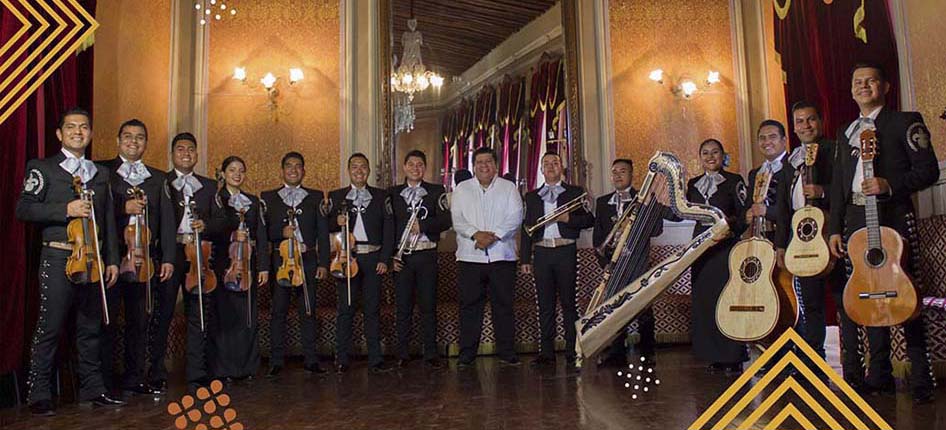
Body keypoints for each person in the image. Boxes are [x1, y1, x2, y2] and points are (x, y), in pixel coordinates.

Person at [827, 62, 937, 404]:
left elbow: (928, 171)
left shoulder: (905, 122)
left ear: (885, 86)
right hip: (856, 219)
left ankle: (921, 378)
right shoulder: (845, 130)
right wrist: (835, 229)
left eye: (871, 81)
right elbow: (837, 185)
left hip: (893, 217)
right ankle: (879, 376)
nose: (863, 86)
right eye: (857, 82)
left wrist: (890, 185)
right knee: (867, 295)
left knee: (906, 297)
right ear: (851, 89)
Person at [16, 108, 124, 415]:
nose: (79, 131)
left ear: (90, 133)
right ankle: (39, 394)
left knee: (90, 328)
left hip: (93, 259)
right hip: (58, 255)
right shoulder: (43, 168)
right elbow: (23, 209)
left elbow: (107, 220)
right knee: (50, 327)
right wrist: (66, 208)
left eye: (84, 127)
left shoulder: (100, 173)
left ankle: (94, 388)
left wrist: (112, 260)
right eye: (72, 127)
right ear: (60, 134)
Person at [99, 119, 175, 397]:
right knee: (106, 320)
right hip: (112, 257)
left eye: (140, 137)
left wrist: (167, 257)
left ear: (146, 143)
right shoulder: (102, 170)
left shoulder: (158, 178)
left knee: (139, 320)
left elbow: (168, 220)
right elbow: (96, 208)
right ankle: (104, 382)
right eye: (128, 136)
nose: (134, 141)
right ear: (118, 141)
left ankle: (134, 376)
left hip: (145, 259)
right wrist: (123, 207)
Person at [773, 102, 844, 362]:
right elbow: (782, 208)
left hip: (830, 235)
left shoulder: (836, 151)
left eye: (811, 119)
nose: (806, 126)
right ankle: (814, 362)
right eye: (800, 121)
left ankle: (852, 363)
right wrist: (781, 245)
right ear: (794, 127)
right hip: (800, 240)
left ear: (821, 121)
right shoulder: (791, 160)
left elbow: (846, 189)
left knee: (841, 300)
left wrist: (823, 191)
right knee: (810, 303)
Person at [154, 132, 219, 392]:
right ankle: (157, 371)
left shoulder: (210, 185)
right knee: (163, 313)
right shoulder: (161, 182)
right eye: (180, 149)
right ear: (172, 154)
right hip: (170, 254)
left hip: (198, 255)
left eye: (191, 149)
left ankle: (197, 373)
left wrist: (207, 224)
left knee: (198, 314)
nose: (186, 154)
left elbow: (222, 220)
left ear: (197, 154)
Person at [451, 147, 523, 368]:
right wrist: (476, 234)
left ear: (496, 165)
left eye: (488, 161)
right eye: (479, 162)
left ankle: (507, 353)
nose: (484, 166)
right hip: (470, 257)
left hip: (502, 256)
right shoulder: (462, 189)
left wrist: (494, 236)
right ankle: (467, 354)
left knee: (504, 306)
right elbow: (458, 219)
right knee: (469, 307)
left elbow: (516, 216)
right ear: (474, 166)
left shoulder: (508, 188)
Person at [520, 152, 594, 368]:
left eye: (555, 163)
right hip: (542, 253)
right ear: (541, 169)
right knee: (545, 305)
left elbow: (589, 220)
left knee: (570, 303)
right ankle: (547, 353)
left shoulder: (575, 192)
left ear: (562, 167)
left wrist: (568, 218)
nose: (551, 167)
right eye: (546, 164)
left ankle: (572, 350)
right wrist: (525, 258)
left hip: (565, 251)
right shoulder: (532, 196)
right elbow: (526, 229)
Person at [260, 152, 329, 376]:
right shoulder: (268, 197)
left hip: (307, 260)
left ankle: (311, 359)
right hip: (281, 261)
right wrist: (280, 233)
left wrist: (323, 263)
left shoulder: (316, 196)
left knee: (308, 310)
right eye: (289, 166)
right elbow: (263, 233)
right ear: (282, 170)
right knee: (278, 312)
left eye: (298, 166)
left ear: (303, 171)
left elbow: (323, 233)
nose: (293, 170)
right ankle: (276, 360)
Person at [327, 153, 395, 373]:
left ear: (368, 171)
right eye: (354, 167)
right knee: (345, 309)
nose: (359, 171)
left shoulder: (381, 195)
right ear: (348, 171)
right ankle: (341, 358)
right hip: (347, 258)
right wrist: (335, 221)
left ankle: (375, 359)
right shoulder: (337, 196)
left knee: (372, 310)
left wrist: (385, 259)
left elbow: (389, 229)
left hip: (373, 257)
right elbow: (325, 225)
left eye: (363, 167)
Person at [686, 139, 749, 373]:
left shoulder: (734, 181)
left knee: (727, 300)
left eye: (715, 152)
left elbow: (744, 216)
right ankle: (712, 354)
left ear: (723, 155)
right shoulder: (692, 184)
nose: (710, 157)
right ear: (700, 157)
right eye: (705, 153)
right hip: (701, 252)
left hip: (726, 251)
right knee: (706, 302)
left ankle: (732, 355)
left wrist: (728, 230)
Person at [591, 158, 658, 366]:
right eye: (614, 172)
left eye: (623, 171)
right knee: (615, 309)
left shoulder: (644, 198)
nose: (618, 175)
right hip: (613, 265)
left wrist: (648, 209)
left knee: (643, 310)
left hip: (637, 264)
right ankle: (617, 354)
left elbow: (657, 230)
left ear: (631, 175)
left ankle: (648, 354)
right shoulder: (603, 203)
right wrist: (606, 265)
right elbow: (598, 238)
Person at [388, 150, 452, 369]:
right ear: (404, 167)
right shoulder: (392, 193)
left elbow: (446, 220)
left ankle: (430, 352)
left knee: (428, 305)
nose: (416, 168)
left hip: (426, 254)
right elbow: (387, 227)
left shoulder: (436, 191)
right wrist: (390, 257)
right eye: (411, 164)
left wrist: (422, 226)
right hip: (402, 256)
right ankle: (403, 352)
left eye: (420, 165)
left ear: (425, 168)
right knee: (403, 306)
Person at [209, 156, 270, 381]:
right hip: (225, 264)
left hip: (249, 265)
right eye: (232, 170)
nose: (237, 174)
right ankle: (225, 369)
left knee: (248, 317)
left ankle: (248, 368)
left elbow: (261, 235)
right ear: (223, 173)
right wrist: (232, 234)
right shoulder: (216, 199)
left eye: (241, 170)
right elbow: (212, 231)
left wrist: (263, 266)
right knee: (226, 317)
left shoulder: (254, 202)